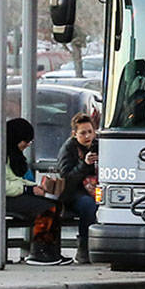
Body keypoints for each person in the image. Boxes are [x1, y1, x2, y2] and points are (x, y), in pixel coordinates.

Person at [4, 117, 70, 266]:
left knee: (55, 204)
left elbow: (12, 179)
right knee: (46, 208)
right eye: (25, 141)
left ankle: (51, 251)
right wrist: (28, 189)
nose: (27, 145)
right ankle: (39, 251)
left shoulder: (9, 153)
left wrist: (33, 187)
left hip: (11, 195)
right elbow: (0, 184)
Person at [56, 111, 101, 264]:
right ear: (75, 134)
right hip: (73, 194)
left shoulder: (98, 146)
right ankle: (84, 248)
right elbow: (66, 177)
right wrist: (84, 164)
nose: (87, 136)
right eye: (83, 133)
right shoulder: (69, 149)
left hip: (95, 190)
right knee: (88, 206)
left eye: (90, 132)